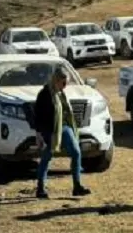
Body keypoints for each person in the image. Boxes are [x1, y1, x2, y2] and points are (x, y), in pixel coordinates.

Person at [33, 67, 92, 199]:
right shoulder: (45, 94)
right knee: (46, 157)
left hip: (64, 128)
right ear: (56, 80)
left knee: (76, 153)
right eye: (63, 83)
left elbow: (65, 112)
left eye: (66, 83)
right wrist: (39, 134)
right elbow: (38, 116)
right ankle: (40, 188)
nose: (65, 86)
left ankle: (77, 186)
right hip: (50, 130)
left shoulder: (61, 93)